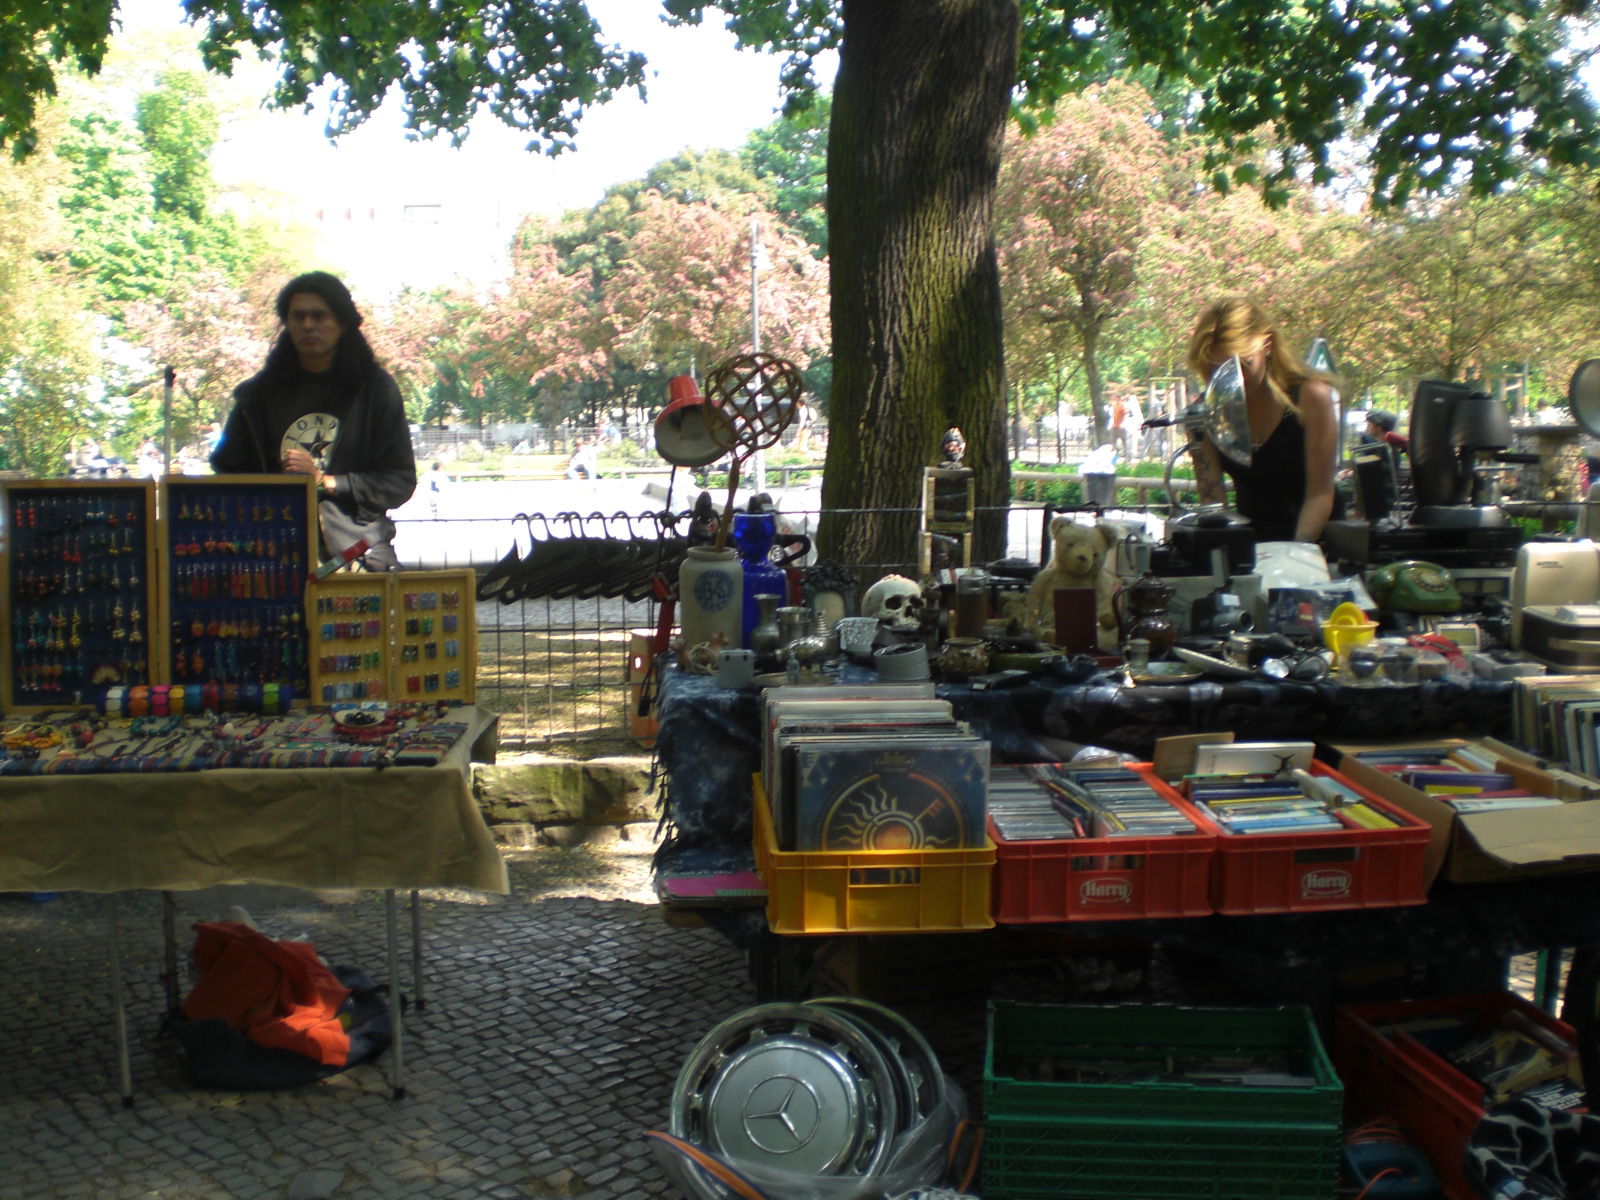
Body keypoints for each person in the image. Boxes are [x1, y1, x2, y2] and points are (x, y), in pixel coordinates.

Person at [211, 271, 416, 571]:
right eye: (299, 317)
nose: (308, 325)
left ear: (342, 322)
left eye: (319, 316)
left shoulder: (374, 390)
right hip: (272, 560)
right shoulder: (256, 396)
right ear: (287, 323)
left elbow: (400, 482)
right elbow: (227, 471)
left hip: (357, 557)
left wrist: (327, 482)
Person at [1185, 296, 1344, 544]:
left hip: (1317, 546)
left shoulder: (1312, 397)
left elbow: (1320, 495)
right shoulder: (1202, 414)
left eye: (1242, 365)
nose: (1233, 380)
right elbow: (1212, 502)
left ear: (1267, 345)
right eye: (1217, 370)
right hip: (1250, 547)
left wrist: (1296, 552)